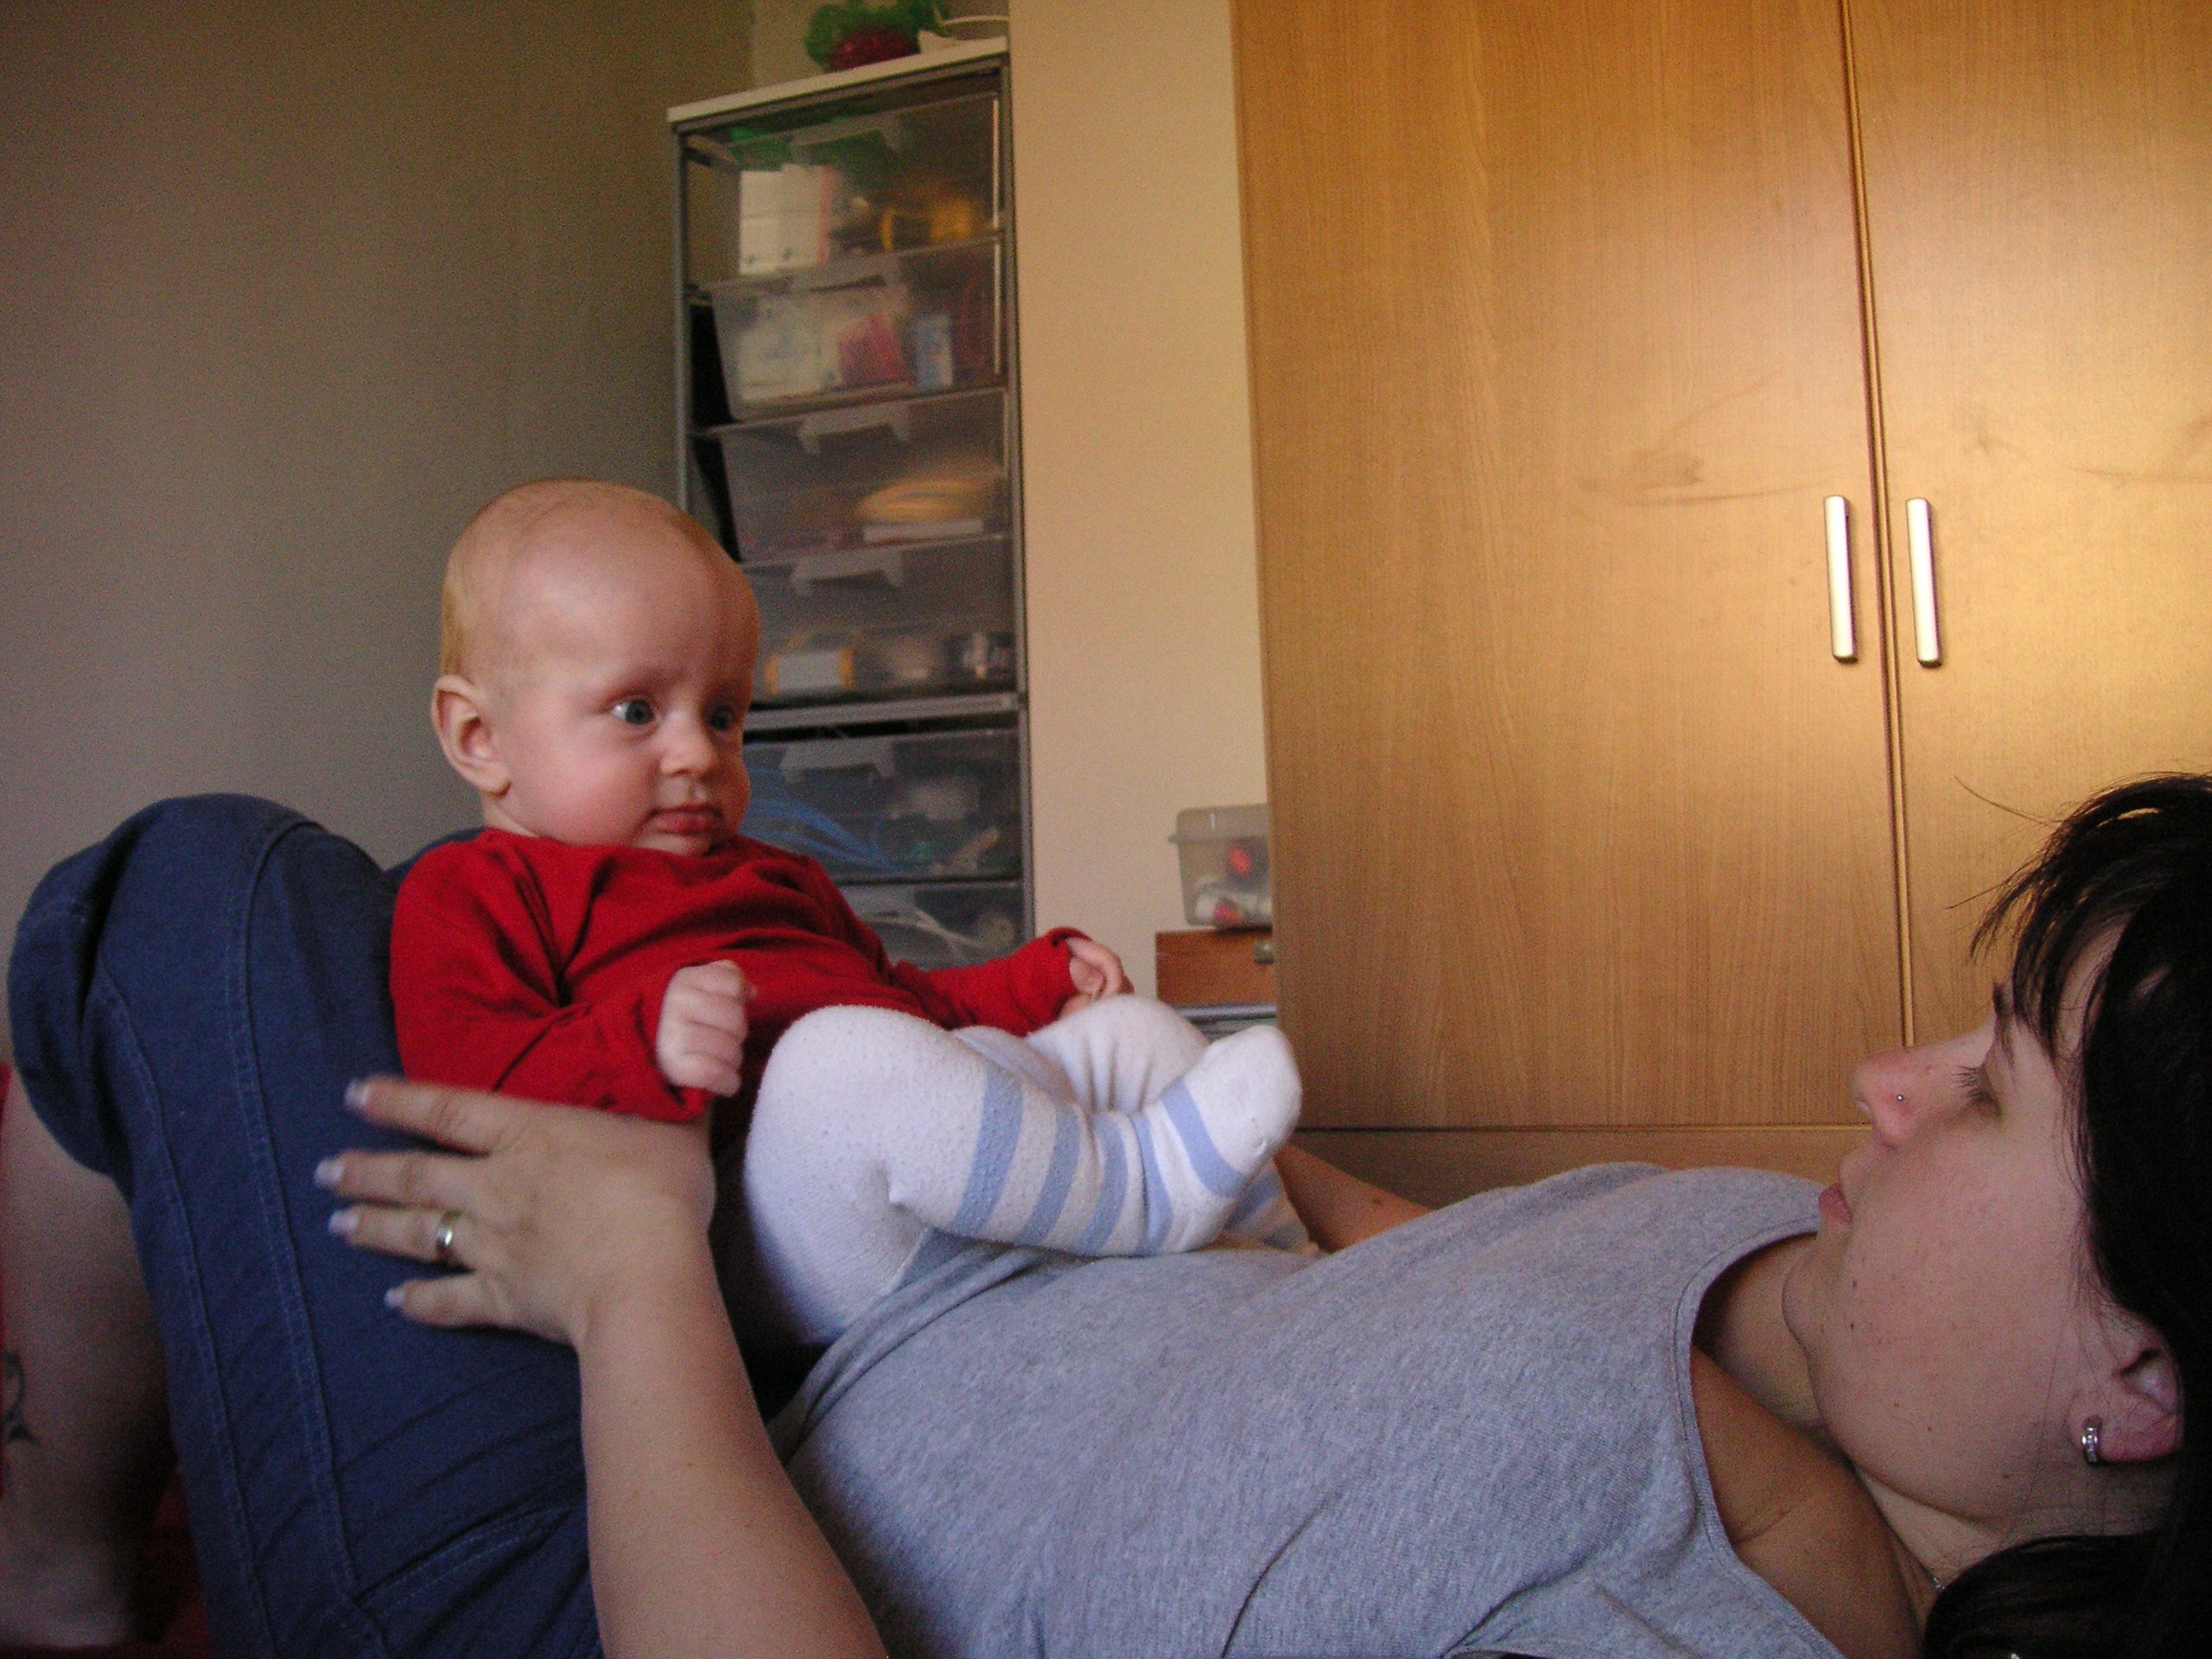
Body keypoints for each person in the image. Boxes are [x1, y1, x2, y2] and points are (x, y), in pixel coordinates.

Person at [0, 776, 2202, 1658]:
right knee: (504, 908)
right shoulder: (1785, 1263)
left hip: (655, 1535)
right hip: (846, 1307)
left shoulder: (1690, 1628)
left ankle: (62, 1579)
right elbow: (1398, 1243)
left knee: (190, 901)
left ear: (2136, 1380)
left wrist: (637, 1277)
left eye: (1985, 1090)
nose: (1881, 1082)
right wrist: (1104, 1082)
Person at [397, 479, 1306, 1341]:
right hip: (761, 1234)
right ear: (480, 738)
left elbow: (912, 1005)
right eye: (637, 711)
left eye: (722, 715)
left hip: (906, 1147)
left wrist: (1034, 979)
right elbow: (464, 1080)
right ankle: (1136, 1195)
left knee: (1131, 1035)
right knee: (836, 1058)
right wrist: (642, 1041)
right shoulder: (472, 888)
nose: (698, 754)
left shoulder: (776, 875)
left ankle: (1284, 1249)